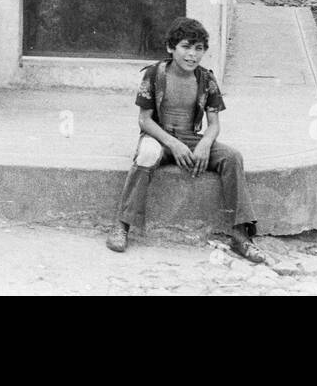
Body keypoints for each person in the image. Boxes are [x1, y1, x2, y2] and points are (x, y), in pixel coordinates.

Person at [106, 16, 266, 262]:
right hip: (158, 137)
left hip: (191, 138)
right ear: (171, 47)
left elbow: (214, 124)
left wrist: (203, 144)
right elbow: (145, 120)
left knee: (232, 157)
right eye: (186, 47)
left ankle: (240, 234)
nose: (192, 54)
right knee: (147, 154)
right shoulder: (154, 74)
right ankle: (122, 225)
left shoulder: (206, 79)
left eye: (198, 48)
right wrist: (174, 144)